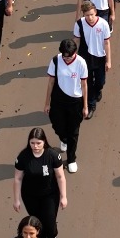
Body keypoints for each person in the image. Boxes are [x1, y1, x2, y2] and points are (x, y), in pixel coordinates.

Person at [14, 127, 68, 238]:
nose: (35, 146)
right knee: (36, 221)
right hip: (30, 196)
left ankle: (52, 237)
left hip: (50, 195)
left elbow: (60, 177)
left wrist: (64, 196)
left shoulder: (53, 155)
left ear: (44, 141)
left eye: (38, 143)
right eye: (32, 143)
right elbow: (18, 178)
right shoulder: (23, 157)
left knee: (50, 222)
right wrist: (16, 200)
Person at [44, 39, 89, 174]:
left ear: (75, 53)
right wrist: (47, 103)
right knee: (57, 125)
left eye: (69, 57)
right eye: (64, 56)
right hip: (58, 100)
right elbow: (51, 82)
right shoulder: (56, 61)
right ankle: (63, 139)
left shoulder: (81, 62)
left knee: (73, 133)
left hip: (75, 102)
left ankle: (71, 159)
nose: (67, 59)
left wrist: (85, 106)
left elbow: (84, 85)